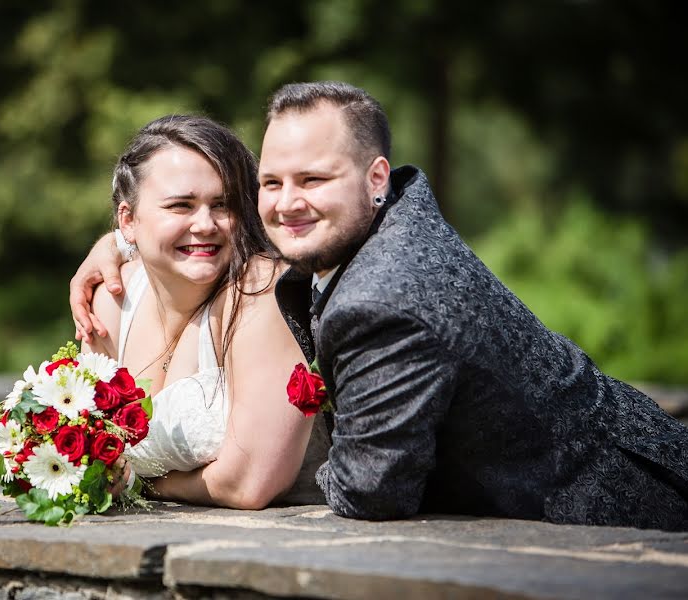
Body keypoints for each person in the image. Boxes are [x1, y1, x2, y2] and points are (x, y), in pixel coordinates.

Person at [73, 83, 688, 530]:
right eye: (271, 183)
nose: (287, 203)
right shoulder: (390, 220)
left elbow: (371, 490)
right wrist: (119, 246)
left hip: (623, 502)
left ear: (376, 179)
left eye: (313, 180)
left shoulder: (383, 296)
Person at [83, 115, 328, 509]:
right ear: (128, 221)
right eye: (181, 205)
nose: (205, 224)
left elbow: (251, 484)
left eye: (222, 205)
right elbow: (90, 451)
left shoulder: (260, 287)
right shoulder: (110, 297)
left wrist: (138, 484)